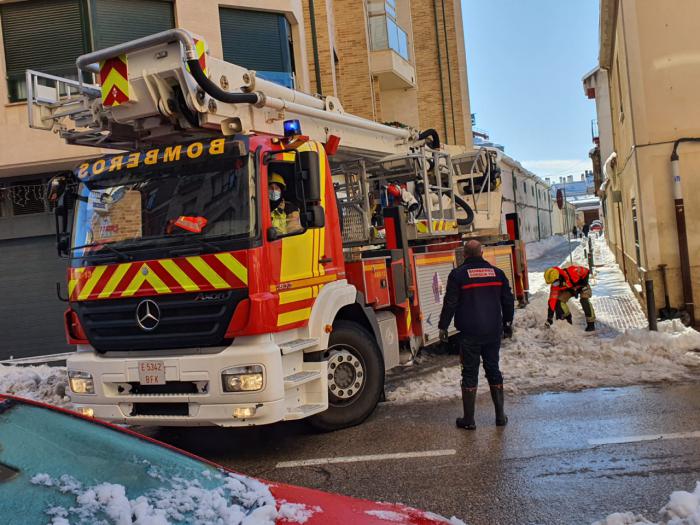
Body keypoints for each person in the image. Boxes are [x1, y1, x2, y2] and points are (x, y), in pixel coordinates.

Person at [438, 240, 515, 430]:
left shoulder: (458, 275)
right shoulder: (497, 274)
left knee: (470, 373)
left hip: (469, 333)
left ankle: (469, 420)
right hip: (492, 331)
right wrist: (507, 323)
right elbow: (508, 300)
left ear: (464, 255)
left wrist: (443, 326)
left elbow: (450, 303)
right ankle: (499, 417)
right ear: (482, 253)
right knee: (493, 369)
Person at [544, 265, 596, 332]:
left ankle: (591, 324)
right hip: (570, 289)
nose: (555, 285)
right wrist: (549, 318)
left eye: (555, 282)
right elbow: (552, 301)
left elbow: (586, 271)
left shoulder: (573, 271)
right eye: (553, 283)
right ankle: (567, 320)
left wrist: (583, 284)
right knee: (558, 302)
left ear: (559, 277)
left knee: (584, 300)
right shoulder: (555, 286)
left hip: (581, 285)